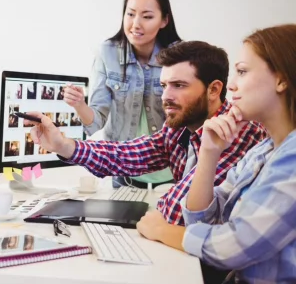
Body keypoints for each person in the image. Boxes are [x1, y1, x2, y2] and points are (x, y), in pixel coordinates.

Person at [24, 40, 266, 226]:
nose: (166, 96)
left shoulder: (237, 132)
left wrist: (155, 218)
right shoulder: (179, 127)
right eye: (163, 85)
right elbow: (127, 154)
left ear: (214, 89)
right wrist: (63, 145)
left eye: (178, 85)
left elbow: (176, 212)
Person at [136, 24, 296, 284]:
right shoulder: (263, 151)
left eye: (243, 72)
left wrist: (162, 231)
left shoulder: (292, 156)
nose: (231, 85)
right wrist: (209, 153)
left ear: (281, 80)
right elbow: (203, 220)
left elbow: (234, 247)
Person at [63, 0, 181, 189]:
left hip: (171, 176)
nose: (136, 24)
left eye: (147, 16)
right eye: (130, 14)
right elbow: (96, 122)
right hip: (124, 176)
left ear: (164, 20)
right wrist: (80, 105)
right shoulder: (106, 53)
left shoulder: (179, 57)